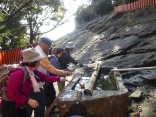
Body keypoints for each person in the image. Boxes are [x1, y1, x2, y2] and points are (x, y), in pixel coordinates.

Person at [1, 48, 65, 117]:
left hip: (20, 103)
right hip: (11, 105)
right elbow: (11, 94)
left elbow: (43, 76)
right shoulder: (18, 73)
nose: (38, 65)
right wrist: (28, 100)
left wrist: (59, 78)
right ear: (30, 62)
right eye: (37, 62)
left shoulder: (30, 70)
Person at [27, 37, 71, 117]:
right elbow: (51, 69)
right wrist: (64, 72)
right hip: (35, 87)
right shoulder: (40, 55)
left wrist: (59, 77)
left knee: (40, 107)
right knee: (36, 109)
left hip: (37, 84)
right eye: (48, 47)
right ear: (44, 45)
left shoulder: (36, 52)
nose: (49, 49)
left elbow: (44, 76)